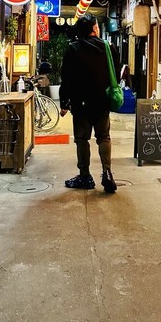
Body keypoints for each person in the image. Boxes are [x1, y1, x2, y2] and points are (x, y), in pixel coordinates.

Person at [59, 13, 120, 193]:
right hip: (102, 101)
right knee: (104, 137)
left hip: (81, 103)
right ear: (94, 28)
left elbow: (67, 78)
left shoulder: (73, 49)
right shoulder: (108, 47)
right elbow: (115, 73)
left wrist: (64, 102)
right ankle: (107, 172)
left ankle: (85, 176)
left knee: (82, 139)